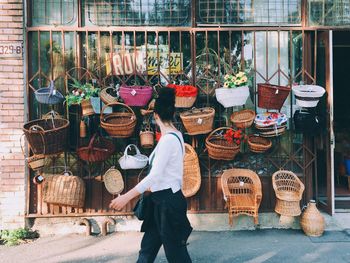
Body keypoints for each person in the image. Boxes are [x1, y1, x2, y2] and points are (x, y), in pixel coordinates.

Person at [109, 87, 192, 263]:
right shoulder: (176, 136)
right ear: (172, 113)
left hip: (167, 204)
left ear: (155, 116)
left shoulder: (168, 140)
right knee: (147, 249)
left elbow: (154, 176)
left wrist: (126, 197)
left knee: (176, 254)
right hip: (161, 201)